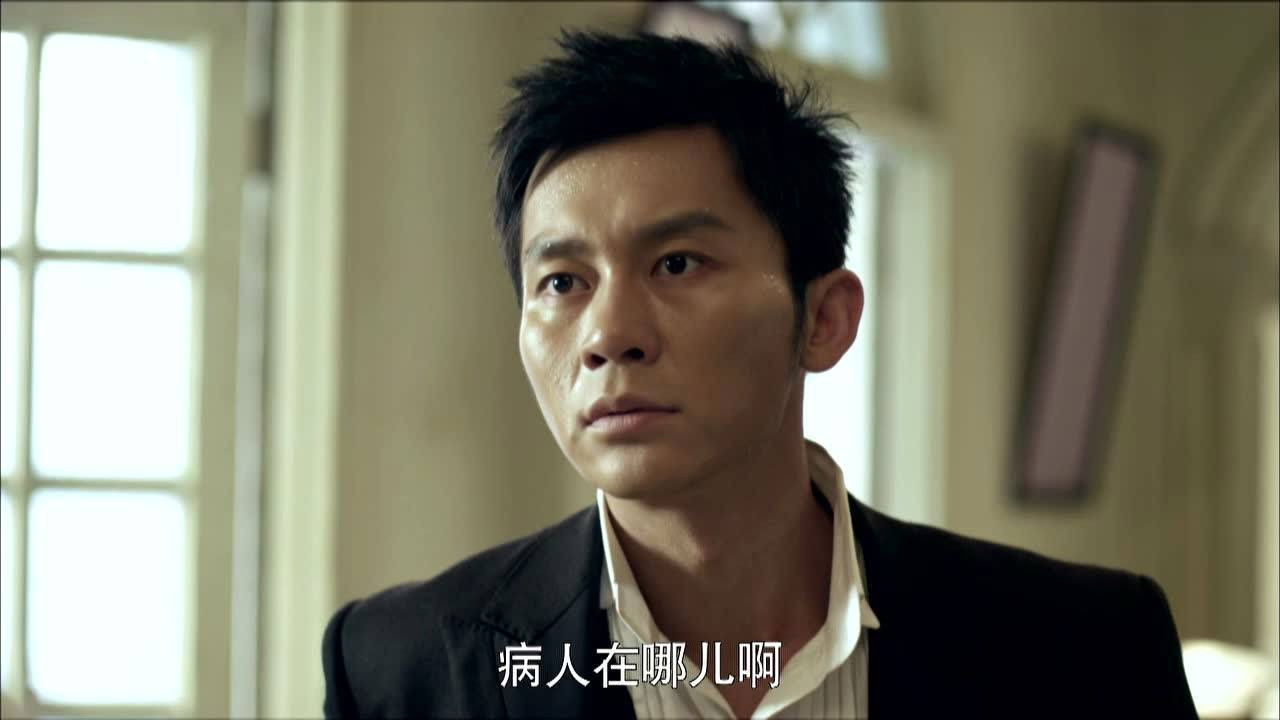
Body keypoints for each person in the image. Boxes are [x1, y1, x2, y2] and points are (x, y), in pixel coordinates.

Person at [322, 30, 1197, 719]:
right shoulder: (405, 669)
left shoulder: (1084, 650)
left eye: (677, 264)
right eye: (562, 282)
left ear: (824, 319)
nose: (608, 336)